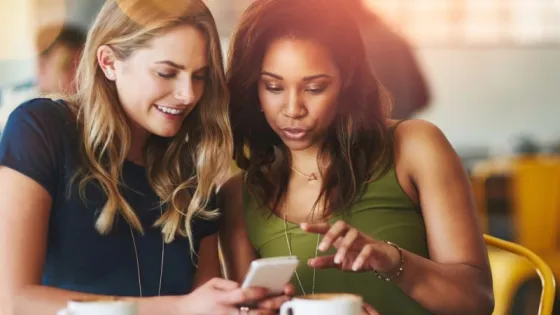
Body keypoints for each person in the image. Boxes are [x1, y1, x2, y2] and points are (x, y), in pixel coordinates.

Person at [0, 1, 288, 314]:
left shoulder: (193, 169)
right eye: (167, 72)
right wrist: (177, 309)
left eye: (200, 76)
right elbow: (12, 300)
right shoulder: (40, 130)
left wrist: (238, 308)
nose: (188, 94)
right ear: (109, 62)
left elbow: (202, 304)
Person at [219, 0, 494, 314]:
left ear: (346, 78)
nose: (293, 110)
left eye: (315, 88)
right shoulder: (239, 195)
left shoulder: (416, 147)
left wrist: (393, 262)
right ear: (252, 88)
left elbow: (477, 301)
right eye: (273, 86)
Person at [345, 0, 431, 119]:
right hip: (402, 129)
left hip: (366, 132)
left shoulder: (343, 45)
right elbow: (423, 98)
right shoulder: (395, 39)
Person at [0, 24, 86, 131]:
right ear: (42, 67)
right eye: (67, 66)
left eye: (84, 68)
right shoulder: (16, 114)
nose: (79, 76)